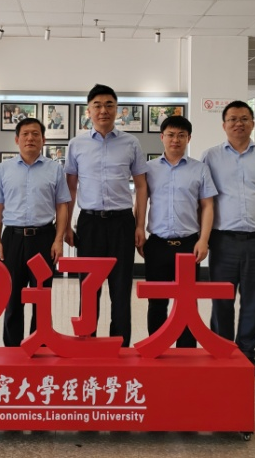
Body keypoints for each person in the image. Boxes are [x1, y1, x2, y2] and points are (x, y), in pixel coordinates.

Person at [201, 100, 255, 377]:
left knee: (252, 300)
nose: (238, 123)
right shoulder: (210, 156)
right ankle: (222, 353)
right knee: (221, 300)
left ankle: (247, 355)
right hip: (223, 240)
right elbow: (205, 201)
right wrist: (203, 237)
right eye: (233, 119)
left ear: (252, 123)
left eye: (244, 119)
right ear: (224, 124)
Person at [65, 84, 148, 347]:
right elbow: (70, 188)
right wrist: (65, 226)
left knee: (121, 289)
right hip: (89, 223)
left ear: (117, 109)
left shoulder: (131, 143)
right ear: (88, 111)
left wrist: (140, 225)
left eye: (109, 105)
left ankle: (119, 347)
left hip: (122, 222)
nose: (104, 110)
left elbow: (142, 186)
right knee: (88, 288)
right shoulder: (76, 144)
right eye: (98, 105)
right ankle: (86, 344)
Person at [0, 118, 71, 346]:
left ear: (43, 140)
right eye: (25, 134)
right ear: (17, 139)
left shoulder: (55, 169)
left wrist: (58, 240)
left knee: (41, 296)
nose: (30, 138)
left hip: (43, 239)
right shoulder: (3, 169)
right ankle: (12, 349)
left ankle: (40, 345)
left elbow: (62, 206)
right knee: (12, 296)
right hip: (12, 239)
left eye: (35, 134)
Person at [143, 115, 217, 345]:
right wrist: (139, 231)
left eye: (181, 135)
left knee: (187, 303)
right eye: (171, 135)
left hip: (188, 245)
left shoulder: (200, 169)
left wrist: (203, 240)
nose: (175, 140)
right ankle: (156, 348)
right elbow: (140, 202)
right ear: (162, 137)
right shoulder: (149, 169)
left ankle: (186, 353)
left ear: (188, 138)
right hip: (157, 244)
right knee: (157, 302)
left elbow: (208, 206)